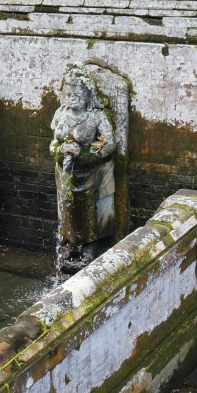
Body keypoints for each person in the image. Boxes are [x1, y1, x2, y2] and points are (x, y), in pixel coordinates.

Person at [50, 67, 117, 272]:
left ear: (86, 96)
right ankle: (71, 241)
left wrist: (88, 152)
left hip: (90, 172)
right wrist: (60, 150)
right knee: (68, 205)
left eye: (77, 94)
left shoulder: (95, 116)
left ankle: (89, 245)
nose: (71, 98)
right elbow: (53, 142)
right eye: (68, 94)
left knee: (89, 207)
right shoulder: (60, 114)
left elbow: (108, 141)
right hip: (67, 170)